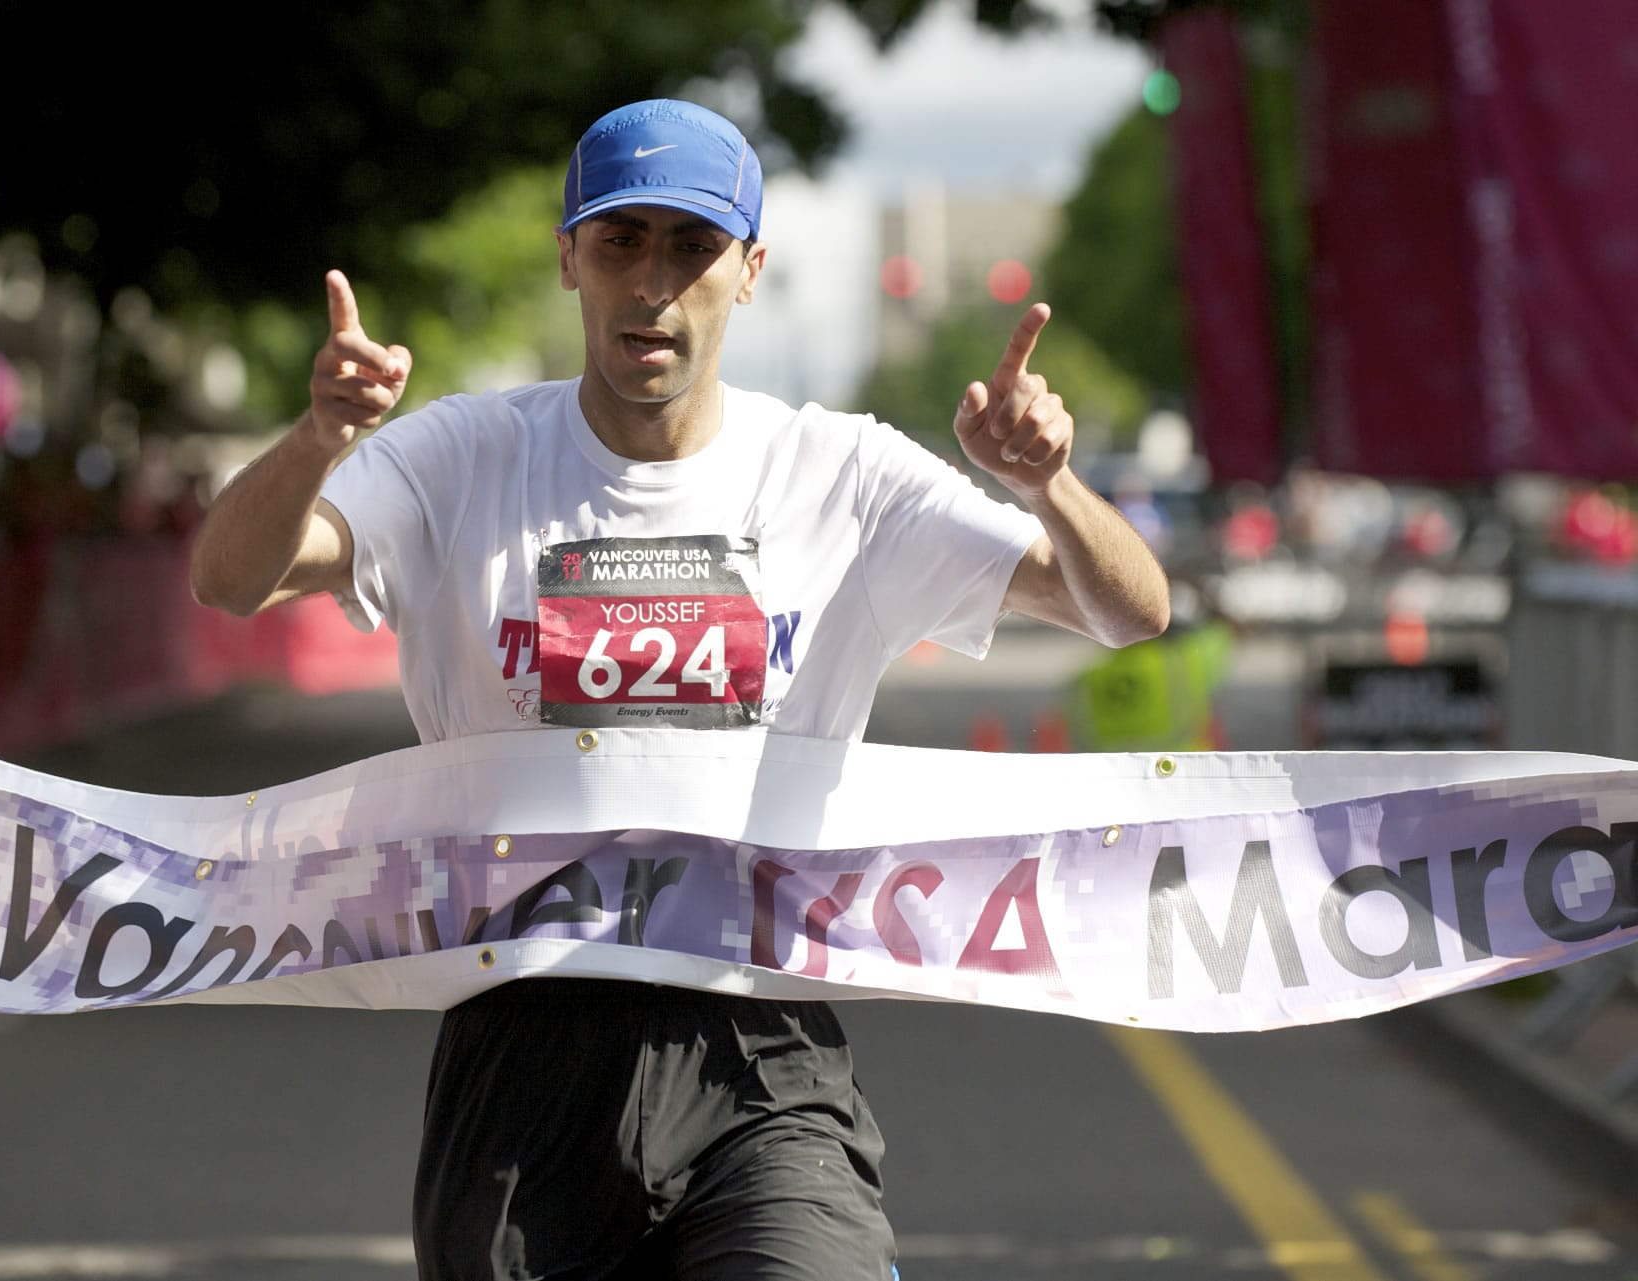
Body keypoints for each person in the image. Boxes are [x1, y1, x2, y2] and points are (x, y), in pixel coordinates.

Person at [190, 99, 1169, 1281]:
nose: (652, 282)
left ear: (748, 272)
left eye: (690, 247)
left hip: (758, 1054)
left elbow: (1124, 610)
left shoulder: (842, 474)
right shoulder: (458, 457)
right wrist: (315, 437)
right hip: (519, 1054)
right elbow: (230, 578)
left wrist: (1049, 486)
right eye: (620, 241)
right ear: (568, 258)